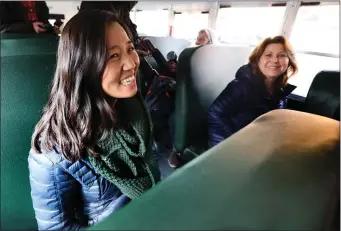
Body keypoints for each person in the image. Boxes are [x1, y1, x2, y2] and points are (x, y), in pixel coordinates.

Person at [28, 10, 160, 230]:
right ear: (83, 66)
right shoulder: (54, 147)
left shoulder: (134, 110)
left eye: (130, 49)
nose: (131, 63)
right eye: (114, 56)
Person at [208, 35, 298, 147]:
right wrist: (237, 141)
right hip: (228, 144)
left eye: (282, 55)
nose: (275, 60)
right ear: (257, 59)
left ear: (289, 61)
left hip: (258, 142)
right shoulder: (241, 85)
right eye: (268, 55)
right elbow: (214, 113)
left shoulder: (281, 89)